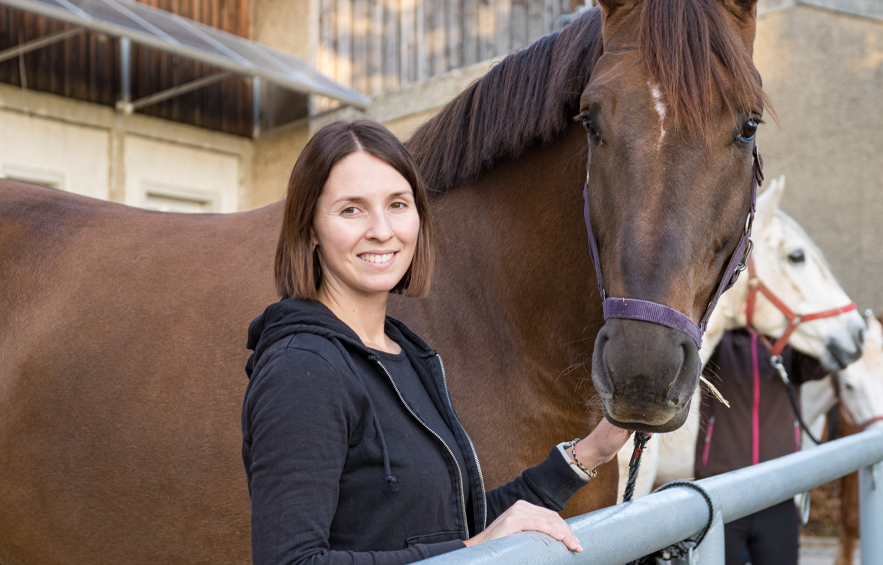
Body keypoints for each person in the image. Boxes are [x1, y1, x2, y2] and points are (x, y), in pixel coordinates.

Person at [241, 119, 631, 565]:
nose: (382, 230)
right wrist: (473, 551)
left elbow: (452, 527)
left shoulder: (404, 353)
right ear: (310, 228)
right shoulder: (301, 371)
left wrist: (590, 452)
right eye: (351, 210)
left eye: (397, 204)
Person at [695, 329, 829, 565]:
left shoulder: (790, 343)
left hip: (778, 493)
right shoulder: (720, 339)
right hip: (721, 493)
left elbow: (821, 362)